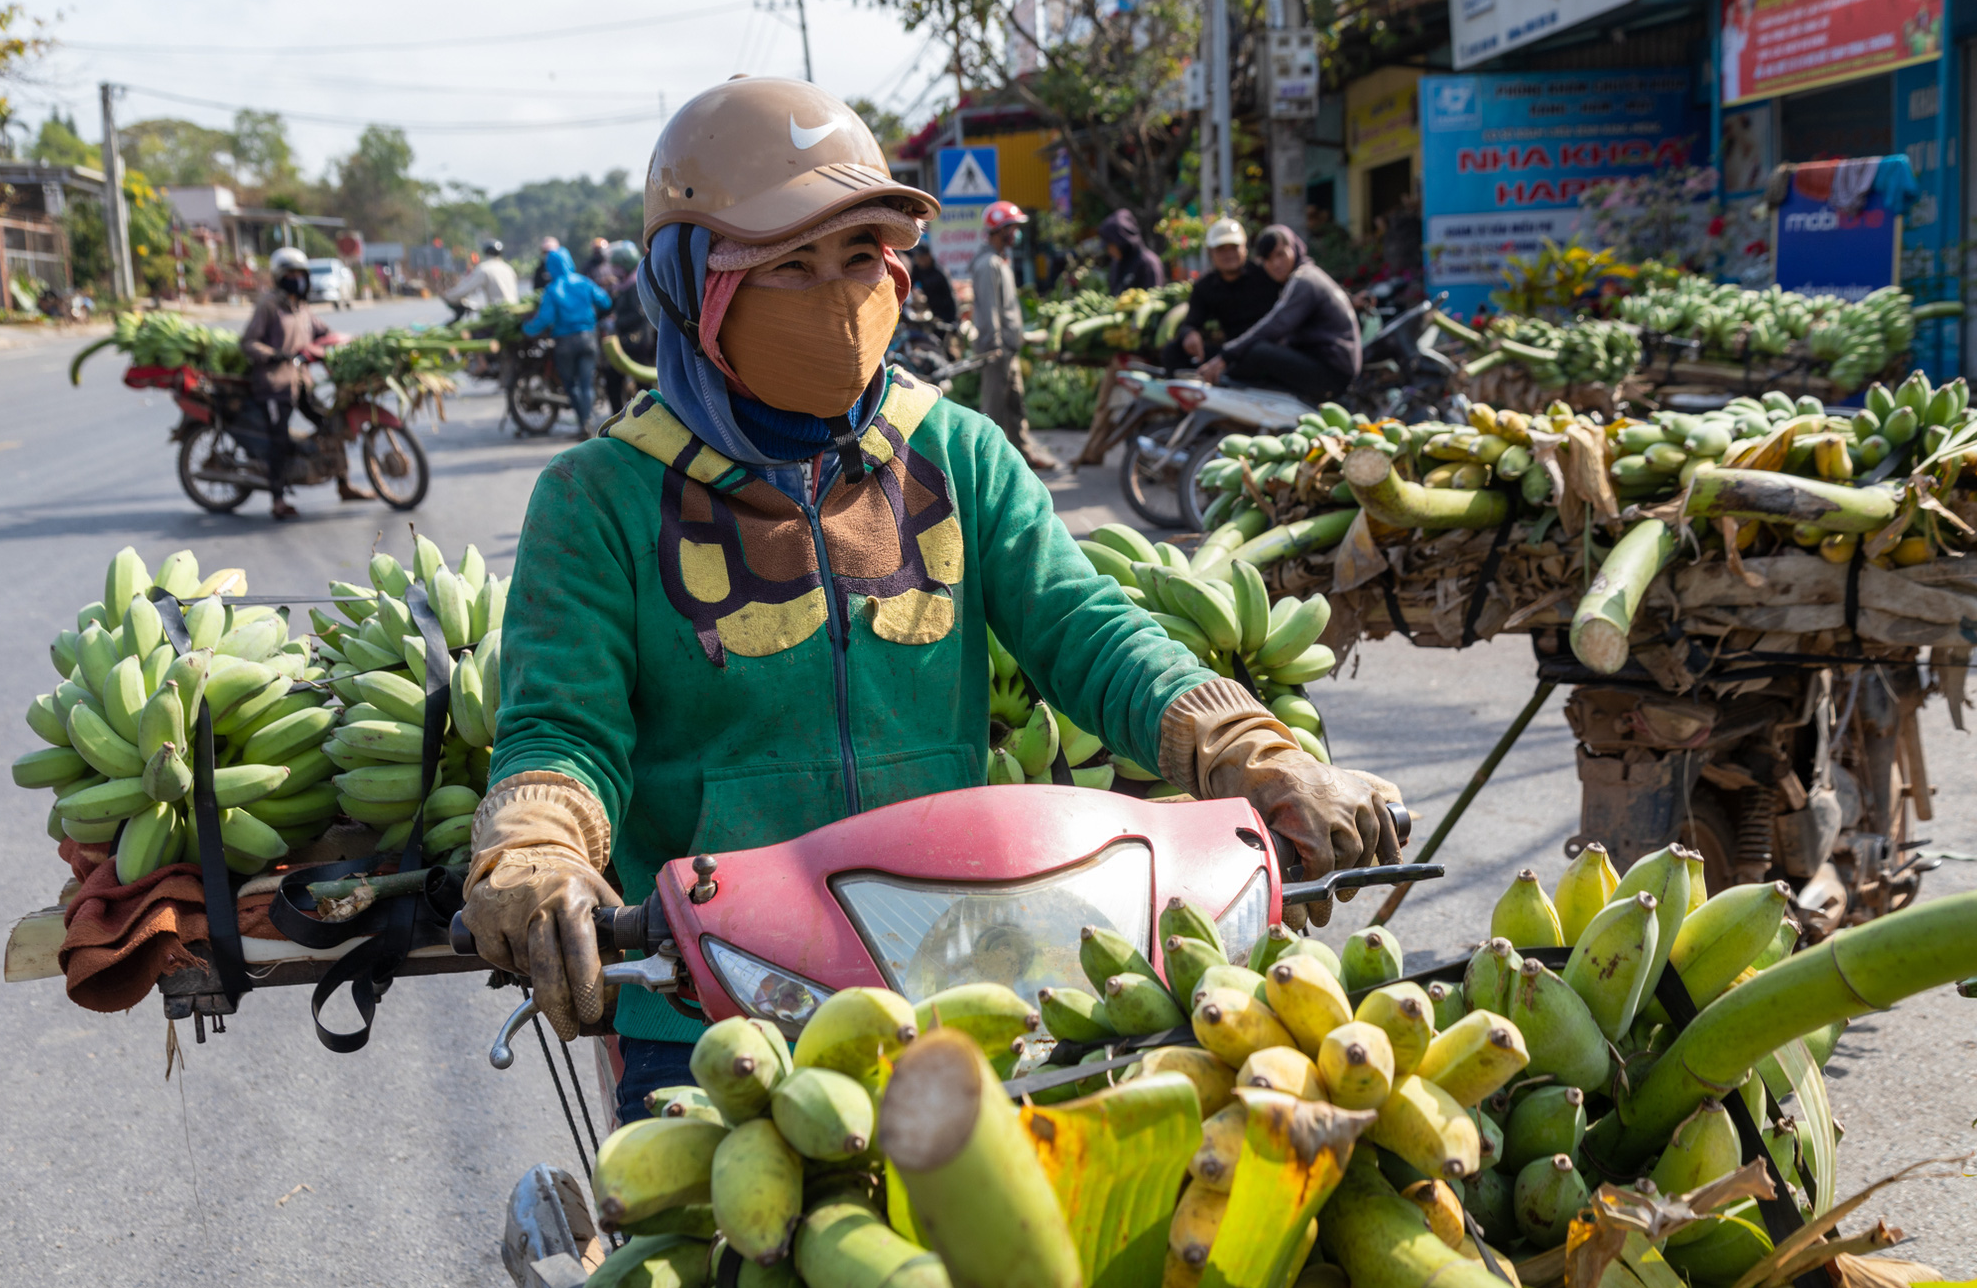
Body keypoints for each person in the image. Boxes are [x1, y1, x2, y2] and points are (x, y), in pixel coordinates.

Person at [455, 79, 1404, 1121]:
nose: (835, 294)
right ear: (690, 286)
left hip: (961, 976)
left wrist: (1246, 748)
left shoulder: (954, 451)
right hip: (710, 1010)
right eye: (786, 264)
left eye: (859, 256)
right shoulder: (599, 497)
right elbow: (562, 725)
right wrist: (538, 846)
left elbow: (1084, 629)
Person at [240, 246, 366, 519]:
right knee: (279, 440)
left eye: (301, 274)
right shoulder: (269, 306)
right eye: (292, 274)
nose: (298, 279)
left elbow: (324, 332)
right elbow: (248, 343)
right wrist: (275, 355)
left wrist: (350, 342)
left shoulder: (302, 307)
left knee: (331, 424)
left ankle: (344, 484)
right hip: (274, 384)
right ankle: (277, 500)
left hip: (301, 382)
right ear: (280, 276)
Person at [1198, 225, 1361, 404]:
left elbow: (1275, 324)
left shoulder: (1303, 280)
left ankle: (1225, 386)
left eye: (1281, 254)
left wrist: (1225, 356)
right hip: (1326, 367)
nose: (1275, 264)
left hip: (1331, 374)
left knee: (1258, 351)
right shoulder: (1305, 276)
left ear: (1294, 248)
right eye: (1267, 259)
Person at [967, 200, 1054, 470]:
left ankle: (1024, 456)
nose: (1015, 233)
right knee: (993, 411)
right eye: (1012, 227)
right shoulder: (988, 265)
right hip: (997, 350)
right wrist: (994, 345)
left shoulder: (1001, 261)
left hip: (1009, 349)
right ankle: (984, 468)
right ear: (998, 230)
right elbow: (990, 310)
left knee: (1016, 407)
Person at [1161, 217, 1281, 371]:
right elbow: (1191, 322)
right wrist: (1190, 334)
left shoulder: (1265, 275)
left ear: (1244, 248)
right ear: (1211, 252)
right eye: (1221, 248)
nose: (1228, 254)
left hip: (1265, 348)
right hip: (1230, 352)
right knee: (1172, 351)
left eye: (1233, 247)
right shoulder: (1205, 286)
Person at [521, 244, 613, 436]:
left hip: (564, 343)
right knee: (587, 384)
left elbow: (545, 319)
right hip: (588, 339)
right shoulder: (584, 282)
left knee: (571, 385)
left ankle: (583, 424)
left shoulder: (552, 289)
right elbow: (605, 301)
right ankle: (588, 423)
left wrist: (527, 329)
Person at [600, 239, 655, 413]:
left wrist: (616, 321)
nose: (615, 270)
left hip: (639, 342)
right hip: (626, 342)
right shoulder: (623, 284)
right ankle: (619, 416)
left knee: (643, 384)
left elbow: (639, 313)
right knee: (612, 378)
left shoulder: (636, 284)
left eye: (617, 266)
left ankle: (648, 418)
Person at [443, 239, 519, 317]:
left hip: (498, 313)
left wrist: (449, 296)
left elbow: (466, 288)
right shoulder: (508, 268)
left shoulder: (484, 268)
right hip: (515, 310)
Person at [1099, 208, 1165, 295]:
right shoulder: (1117, 263)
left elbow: (1155, 299)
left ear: (1122, 242)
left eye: (1111, 245)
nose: (1109, 251)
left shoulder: (1148, 263)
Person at [908, 239, 957, 323]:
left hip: (944, 312)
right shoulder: (918, 268)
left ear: (928, 256)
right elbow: (910, 284)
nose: (919, 260)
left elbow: (950, 297)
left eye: (921, 257)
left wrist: (953, 320)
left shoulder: (940, 272)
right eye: (917, 257)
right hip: (931, 310)